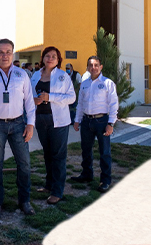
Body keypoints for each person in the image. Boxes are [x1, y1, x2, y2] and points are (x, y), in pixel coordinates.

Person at [0, 38, 36, 222]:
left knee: (25, 163)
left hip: (19, 123)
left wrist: (30, 124)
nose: (5, 55)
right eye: (1, 52)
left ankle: (24, 200)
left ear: (13, 53)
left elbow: (29, 101)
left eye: (8, 52)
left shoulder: (22, 75)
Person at [31, 47, 75, 204]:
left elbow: (71, 98)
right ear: (43, 58)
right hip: (40, 119)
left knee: (58, 156)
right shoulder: (36, 75)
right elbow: (29, 94)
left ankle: (58, 191)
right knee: (47, 154)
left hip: (58, 121)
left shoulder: (63, 76)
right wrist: (33, 100)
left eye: (54, 57)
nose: (50, 58)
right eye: (47, 56)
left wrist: (51, 97)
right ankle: (49, 185)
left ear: (58, 60)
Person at [72, 55, 118, 193]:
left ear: (101, 67)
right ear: (87, 68)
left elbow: (114, 104)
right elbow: (80, 104)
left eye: (96, 65)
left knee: (104, 152)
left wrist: (111, 123)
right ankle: (87, 174)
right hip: (86, 121)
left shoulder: (108, 83)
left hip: (102, 121)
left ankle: (105, 180)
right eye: (91, 65)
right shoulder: (84, 84)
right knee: (86, 149)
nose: (93, 68)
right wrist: (77, 120)